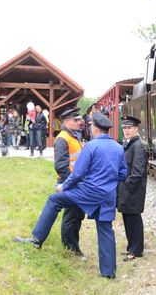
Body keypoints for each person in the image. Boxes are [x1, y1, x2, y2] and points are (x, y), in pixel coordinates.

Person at [14, 112, 127, 278]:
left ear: (95, 128)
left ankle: (37, 239)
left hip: (88, 191)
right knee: (105, 229)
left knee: (54, 200)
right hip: (108, 195)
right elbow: (123, 174)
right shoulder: (118, 147)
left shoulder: (91, 146)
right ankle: (108, 272)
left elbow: (78, 174)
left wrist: (64, 187)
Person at [54, 108, 85, 257]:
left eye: (79, 119)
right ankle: (69, 247)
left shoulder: (73, 136)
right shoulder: (62, 139)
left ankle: (74, 245)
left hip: (76, 182)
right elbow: (60, 166)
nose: (79, 122)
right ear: (66, 122)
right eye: (75, 120)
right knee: (71, 216)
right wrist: (71, 183)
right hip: (70, 183)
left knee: (78, 215)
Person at [117, 115, 148, 261]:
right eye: (124, 128)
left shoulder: (138, 147)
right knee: (128, 218)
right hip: (127, 189)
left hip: (133, 190)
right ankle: (131, 247)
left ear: (136, 129)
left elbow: (138, 172)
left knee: (134, 219)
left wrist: (126, 186)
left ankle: (136, 250)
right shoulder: (130, 144)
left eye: (129, 128)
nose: (126, 131)